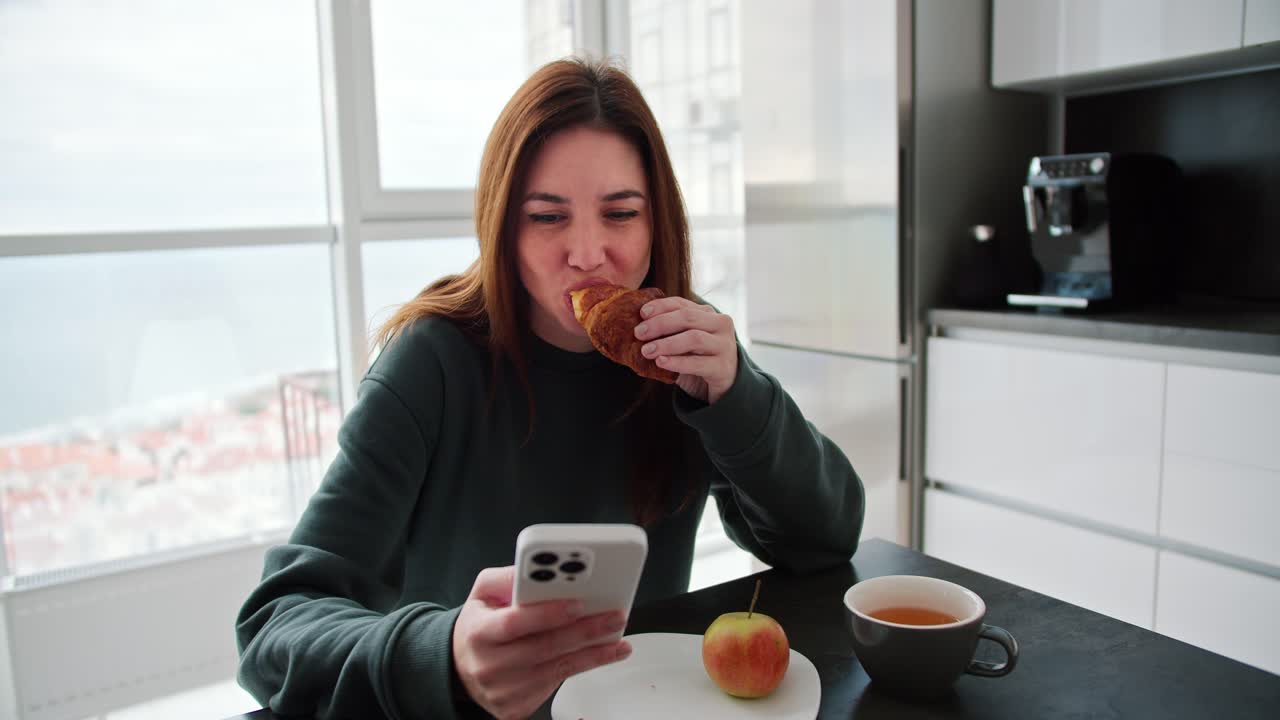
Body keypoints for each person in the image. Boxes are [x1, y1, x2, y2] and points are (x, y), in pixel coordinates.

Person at [235, 57, 865, 720]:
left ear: (658, 223)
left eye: (620, 213)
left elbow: (825, 543)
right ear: (502, 227)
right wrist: (443, 653)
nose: (588, 252)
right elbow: (275, 626)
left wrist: (738, 397)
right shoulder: (433, 361)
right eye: (546, 217)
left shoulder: (681, 353)